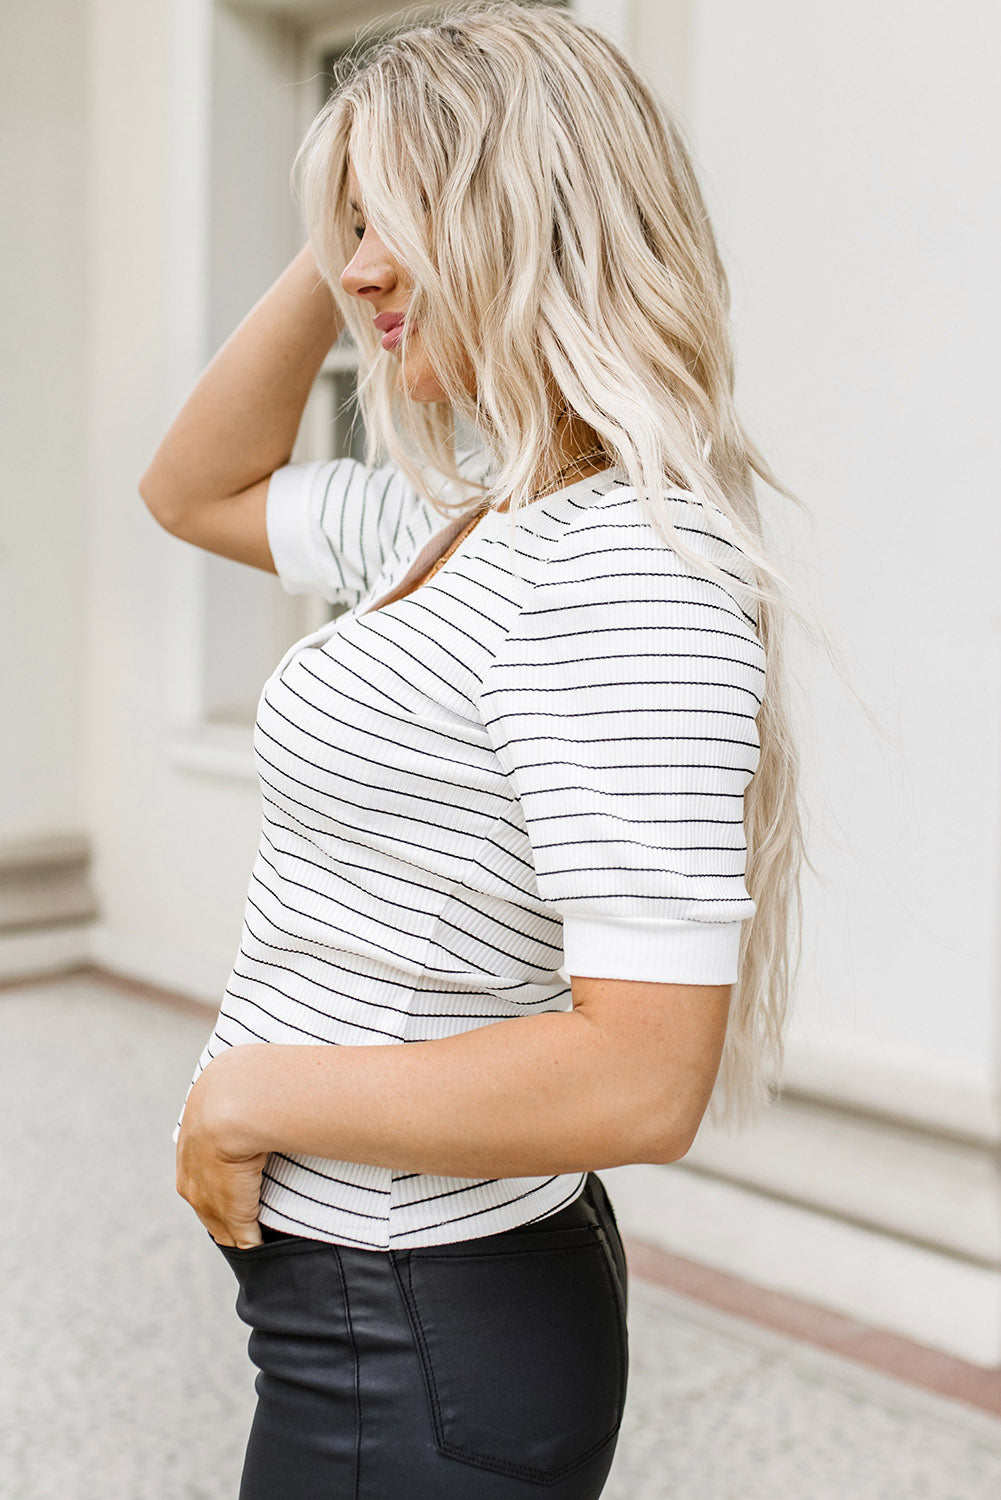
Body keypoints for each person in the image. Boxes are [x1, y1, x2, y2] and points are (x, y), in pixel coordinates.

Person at [139, 3, 802, 1496]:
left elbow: (640, 1078)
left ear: (541, 219)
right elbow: (191, 487)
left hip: (416, 1327)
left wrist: (250, 1094)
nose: (362, 263)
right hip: (388, 1304)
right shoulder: (466, 520)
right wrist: (352, 243)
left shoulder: (624, 572)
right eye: (347, 220)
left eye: (409, 216)